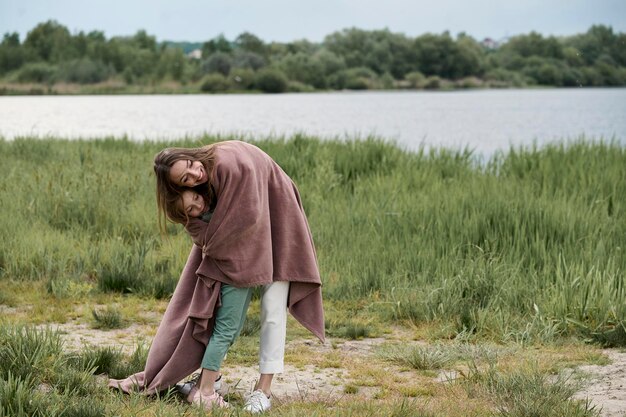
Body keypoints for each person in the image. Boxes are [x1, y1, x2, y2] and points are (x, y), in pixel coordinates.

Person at [109, 140, 325, 414]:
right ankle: (210, 381)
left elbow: (245, 217)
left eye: (190, 165)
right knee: (223, 318)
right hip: (243, 243)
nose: (195, 174)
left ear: (190, 155)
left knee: (273, 306)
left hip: (277, 211)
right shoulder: (198, 192)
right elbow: (207, 227)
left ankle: (263, 390)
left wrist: (219, 244)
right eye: (186, 179)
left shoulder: (227, 165)